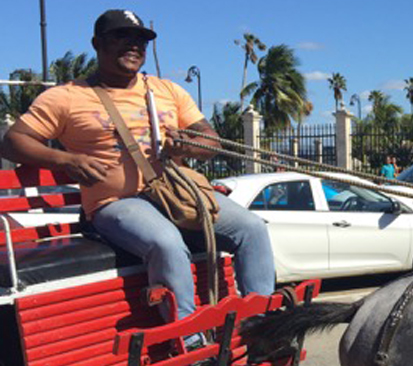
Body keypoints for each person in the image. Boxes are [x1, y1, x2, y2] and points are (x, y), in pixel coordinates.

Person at [0, 9, 274, 346]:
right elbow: (13, 141)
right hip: (115, 204)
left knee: (253, 229)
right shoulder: (66, 97)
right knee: (166, 243)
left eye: (141, 40)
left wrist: (188, 144)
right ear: (97, 44)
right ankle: (190, 344)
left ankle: (262, 331)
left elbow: (211, 141)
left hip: (173, 194)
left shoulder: (166, 90)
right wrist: (67, 159)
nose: (134, 45)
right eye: (122, 37)